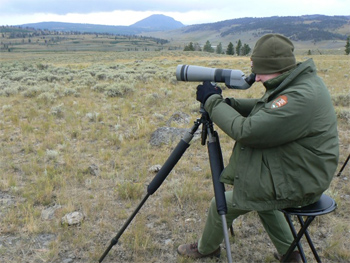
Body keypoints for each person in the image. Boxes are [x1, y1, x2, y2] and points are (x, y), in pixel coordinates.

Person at [177, 34, 339, 262]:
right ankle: (291, 252)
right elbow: (267, 108)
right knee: (261, 193)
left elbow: (247, 131)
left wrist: (212, 102)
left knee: (222, 203)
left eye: (261, 71)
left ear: (276, 67)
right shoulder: (299, 82)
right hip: (301, 167)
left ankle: (207, 248)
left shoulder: (300, 96)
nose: (257, 78)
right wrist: (229, 104)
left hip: (303, 180)